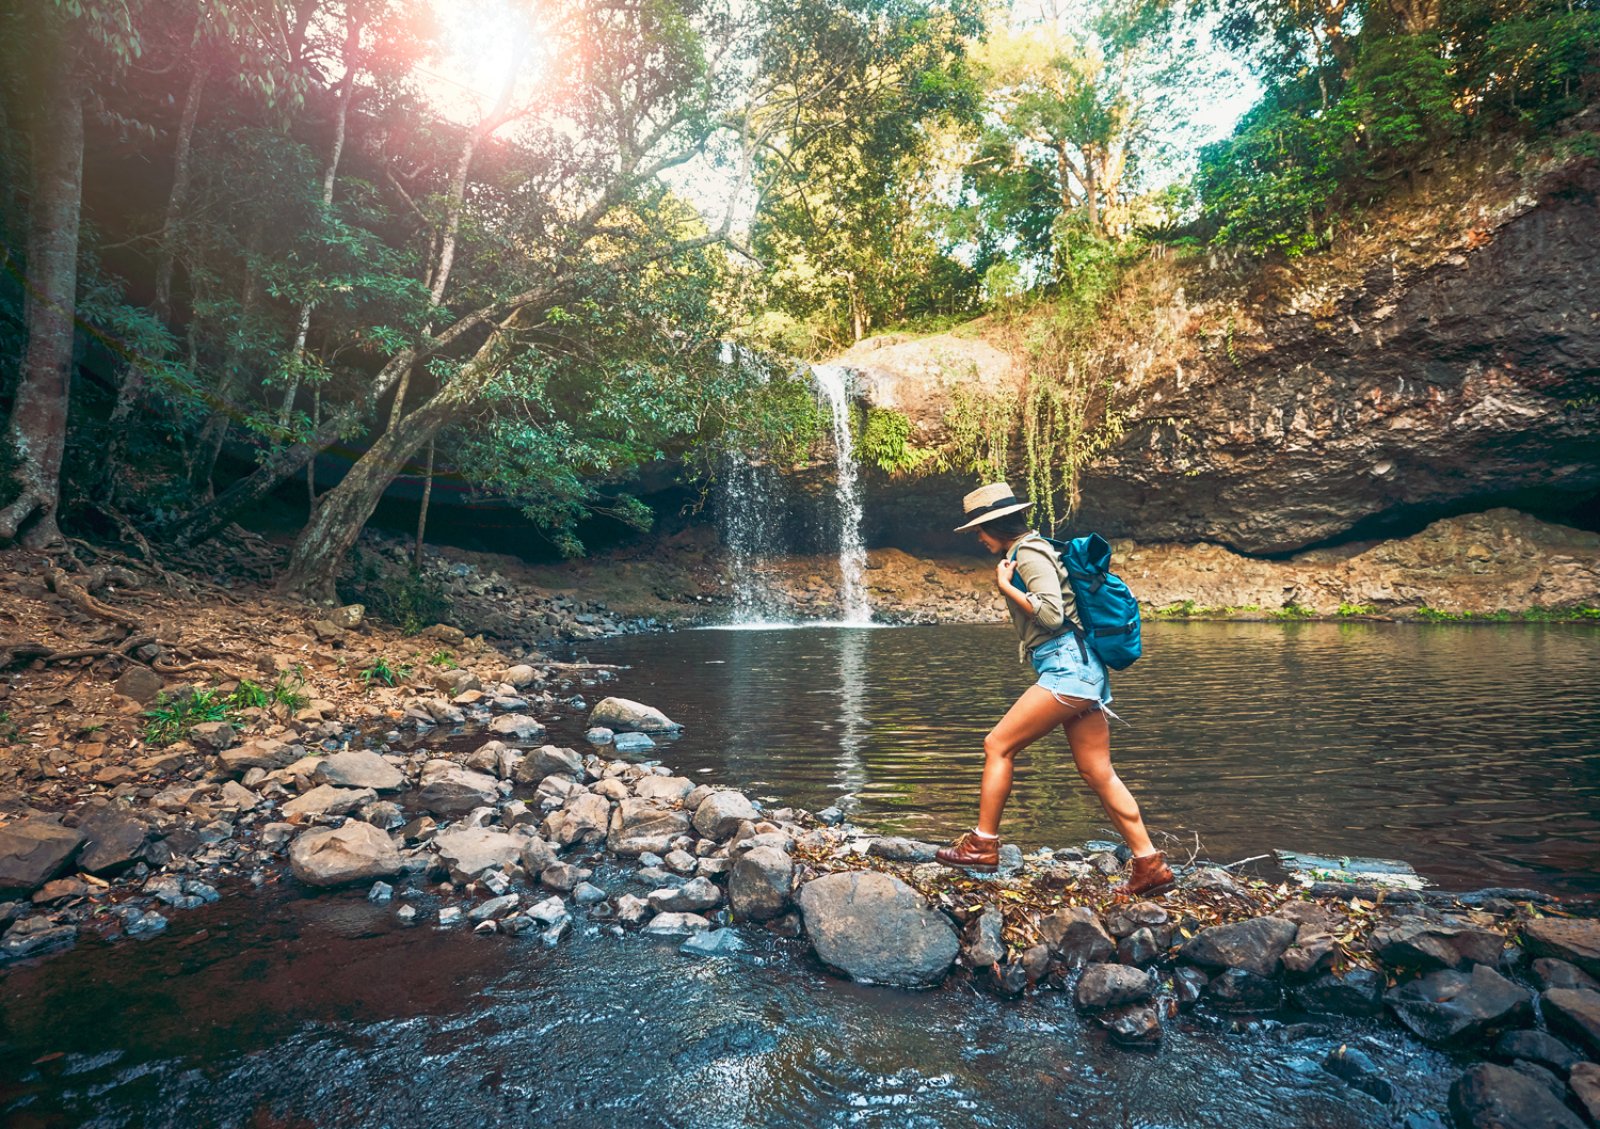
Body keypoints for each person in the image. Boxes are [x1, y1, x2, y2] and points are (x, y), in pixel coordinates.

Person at [934, 482, 1175, 897]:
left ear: (997, 525)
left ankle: (982, 845)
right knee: (1098, 772)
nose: (978, 537)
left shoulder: (1027, 553)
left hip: (1068, 668)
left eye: (980, 529)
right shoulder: (1033, 549)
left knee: (998, 746)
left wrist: (1007, 588)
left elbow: (1050, 614)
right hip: (1081, 668)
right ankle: (1148, 864)